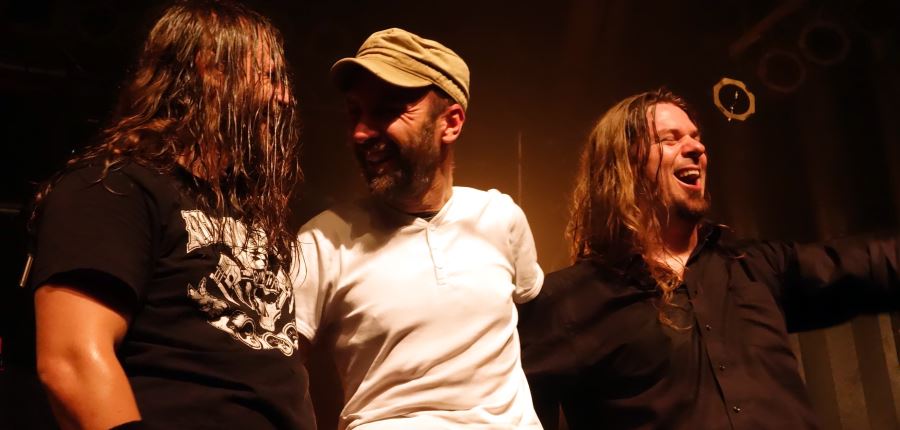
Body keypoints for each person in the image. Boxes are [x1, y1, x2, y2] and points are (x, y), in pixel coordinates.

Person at [518, 89, 900, 429]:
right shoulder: (571, 302)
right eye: (669, 139)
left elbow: (870, 263)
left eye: (696, 137)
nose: (696, 148)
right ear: (624, 165)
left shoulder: (754, 267)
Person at [28, 1, 315, 428]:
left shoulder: (246, 211)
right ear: (209, 70)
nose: (285, 97)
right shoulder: (113, 188)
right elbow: (71, 361)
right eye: (269, 77)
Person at [293, 28, 544, 429]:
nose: (361, 132)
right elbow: (277, 371)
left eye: (387, 111)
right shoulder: (322, 241)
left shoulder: (500, 217)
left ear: (451, 123)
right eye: (355, 112)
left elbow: (533, 321)